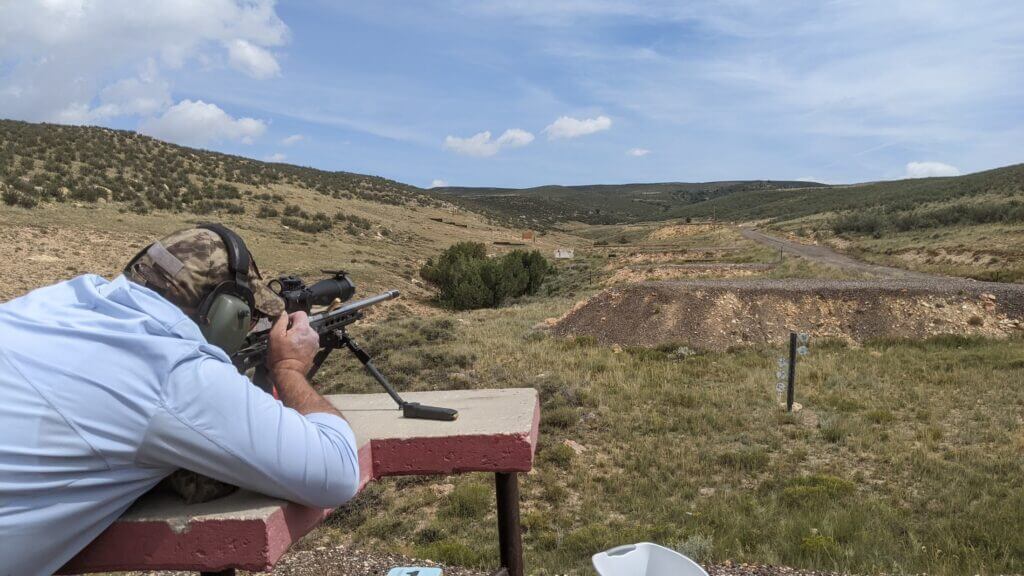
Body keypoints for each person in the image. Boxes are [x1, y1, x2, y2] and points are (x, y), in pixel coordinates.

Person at [0, 224, 360, 576]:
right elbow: (337, 471)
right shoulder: (172, 373)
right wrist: (289, 367)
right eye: (247, 318)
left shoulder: (59, 298)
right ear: (224, 312)